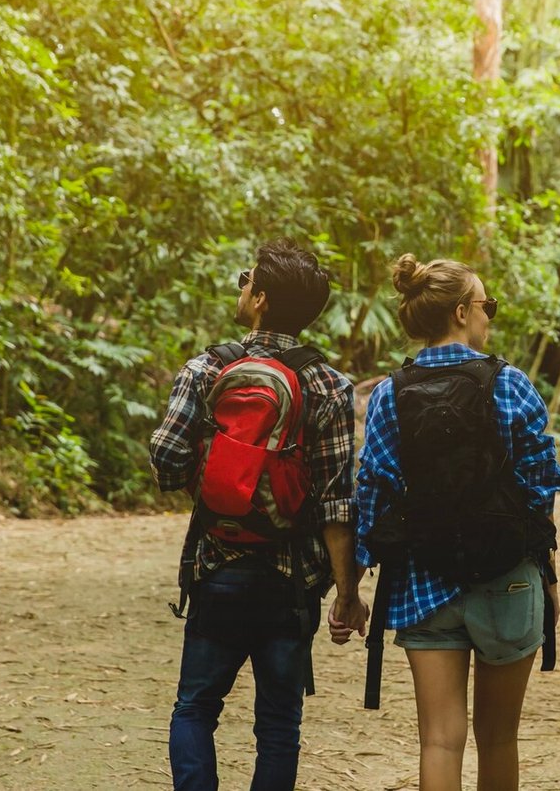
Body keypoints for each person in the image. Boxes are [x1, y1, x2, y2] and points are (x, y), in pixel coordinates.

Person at [337, 254, 560, 791]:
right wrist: (548, 576)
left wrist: (352, 585)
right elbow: (540, 489)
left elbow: (372, 490)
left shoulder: (390, 393)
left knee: (439, 741)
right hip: (508, 578)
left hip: (422, 581)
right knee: (499, 739)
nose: (490, 316)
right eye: (488, 306)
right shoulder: (510, 383)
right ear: (462, 312)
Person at [149, 238, 369, 791]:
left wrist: (218, 486)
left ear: (262, 298)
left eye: (247, 279)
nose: (241, 285)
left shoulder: (206, 368)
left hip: (216, 567)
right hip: (290, 582)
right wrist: (347, 592)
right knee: (278, 726)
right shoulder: (329, 384)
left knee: (195, 708)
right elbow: (338, 503)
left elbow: (168, 458)